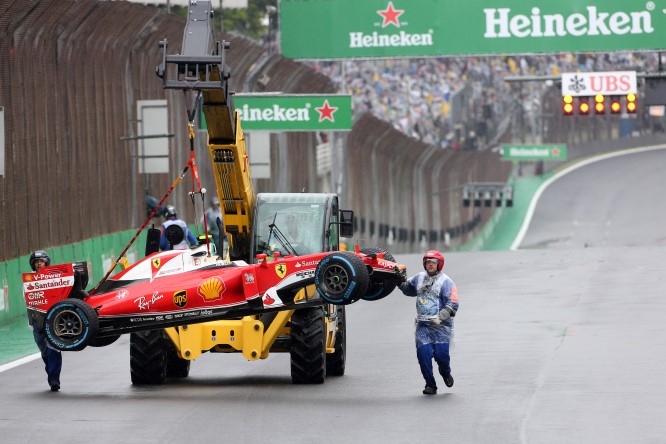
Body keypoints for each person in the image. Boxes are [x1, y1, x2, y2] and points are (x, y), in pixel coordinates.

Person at [398, 250, 459, 395]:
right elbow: (408, 289)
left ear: (439, 264)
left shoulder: (446, 282)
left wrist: (440, 318)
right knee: (423, 356)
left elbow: (454, 303)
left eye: (433, 262)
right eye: (428, 262)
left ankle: (445, 373)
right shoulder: (418, 278)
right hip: (422, 326)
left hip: (441, 326)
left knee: (441, 356)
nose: (430, 264)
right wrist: (398, 282)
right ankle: (430, 385)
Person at [28, 250, 62, 392]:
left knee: (54, 349)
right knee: (44, 351)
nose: (39, 264)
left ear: (47, 262)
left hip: (54, 319)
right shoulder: (29, 280)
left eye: (41, 261)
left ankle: (55, 380)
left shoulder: (56, 277)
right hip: (37, 320)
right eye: (36, 262)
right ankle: (51, 373)